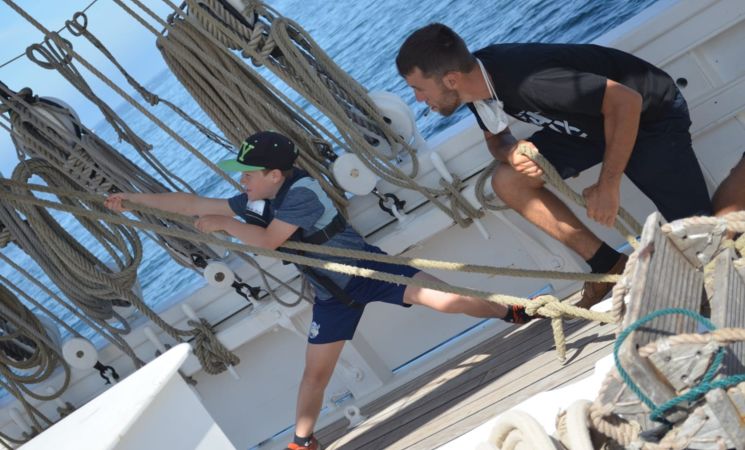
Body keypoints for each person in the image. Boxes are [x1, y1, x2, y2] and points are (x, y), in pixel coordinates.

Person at [105, 131, 533, 450]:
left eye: (247, 176)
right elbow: (193, 204)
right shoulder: (259, 198)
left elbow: (270, 241)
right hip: (332, 297)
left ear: (274, 175)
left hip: (371, 271)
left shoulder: (302, 194)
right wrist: (135, 200)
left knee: (447, 299)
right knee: (315, 375)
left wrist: (227, 227)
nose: (240, 183)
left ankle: (511, 311)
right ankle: (302, 441)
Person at [396, 24, 713, 308]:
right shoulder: (477, 86)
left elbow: (625, 101)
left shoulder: (527, 80)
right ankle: (608, 264)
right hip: (586, 128)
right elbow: (497, 139)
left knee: (708, 240)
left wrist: (608, 185)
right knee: (507, 181)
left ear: (450, 80)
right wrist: (511, 151)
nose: (419, 99)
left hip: (647, 117)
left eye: (419, 89)